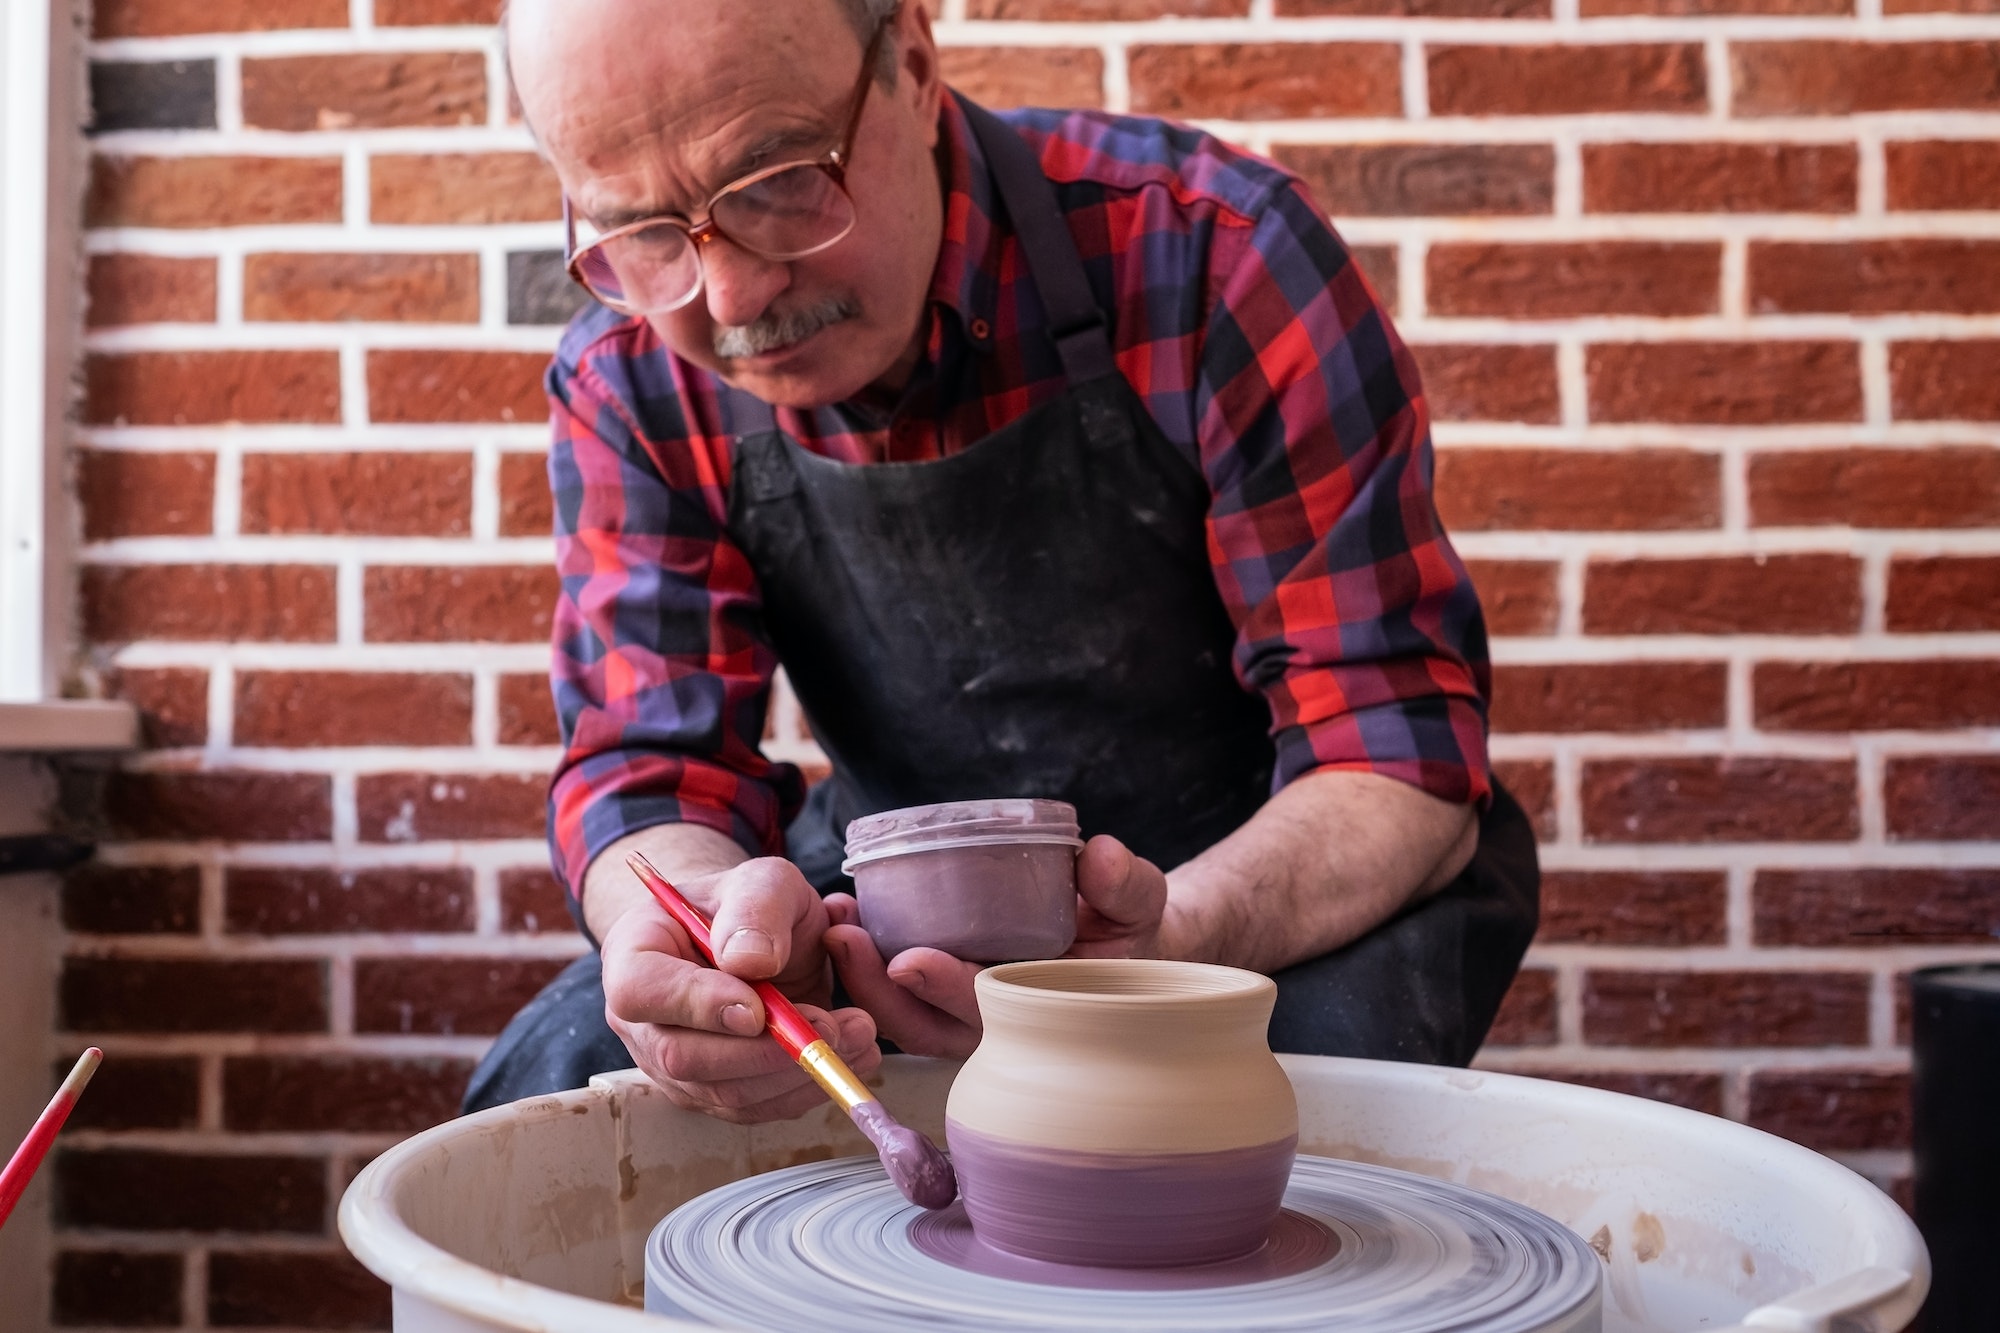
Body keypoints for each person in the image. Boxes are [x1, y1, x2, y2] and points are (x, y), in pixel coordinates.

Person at [464, 0, 1538, 1119]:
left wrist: (1160, 941)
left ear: (913, 66)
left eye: (776, 181)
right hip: (895, 899)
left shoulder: (1210, 254)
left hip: (1247, 879)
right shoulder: (630, 370)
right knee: (552, 1082)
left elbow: (1389, 752)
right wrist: (703, 931)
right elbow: (652, 767)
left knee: (1254, 1135)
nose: (730, 298)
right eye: (640, 230)